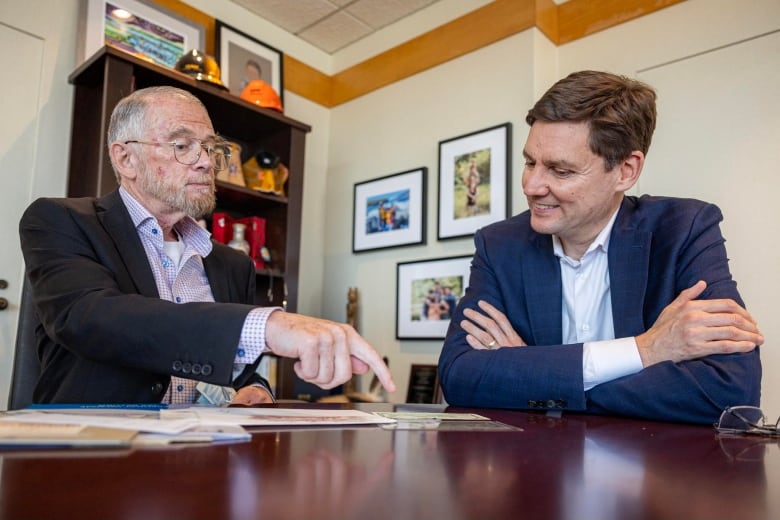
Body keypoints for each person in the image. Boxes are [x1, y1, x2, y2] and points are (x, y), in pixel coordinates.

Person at [19, 85, 395, 405]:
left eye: (211, 148)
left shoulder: (233, 263)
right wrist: (268, 326)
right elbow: (91, 318)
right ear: (126, 158)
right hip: (96, 459)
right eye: (183, 145)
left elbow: (241, 369)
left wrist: (254, 387)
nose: (206, 163)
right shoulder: (59, 220)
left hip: (206, 457)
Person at [438, 70, 763, 424]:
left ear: (625, 170)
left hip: (656, 473)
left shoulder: (685, 229)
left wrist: (539, 378)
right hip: (537, 469)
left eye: (560, 171)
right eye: (530, 162)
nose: (531, 185)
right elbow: (459, 377)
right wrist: (644, 351)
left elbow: (730, 393)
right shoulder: (499, 245)